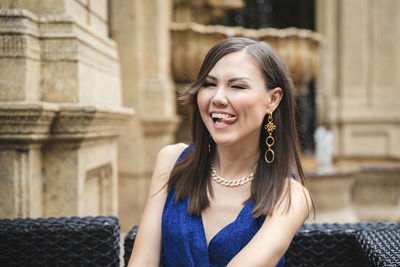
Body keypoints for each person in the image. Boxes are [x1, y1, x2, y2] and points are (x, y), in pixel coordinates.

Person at [128, 37, 313, 267]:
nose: (217, 98)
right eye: (209, 84)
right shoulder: (171, 161)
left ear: (272, 99)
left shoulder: (290, 195)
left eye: (237, 86)